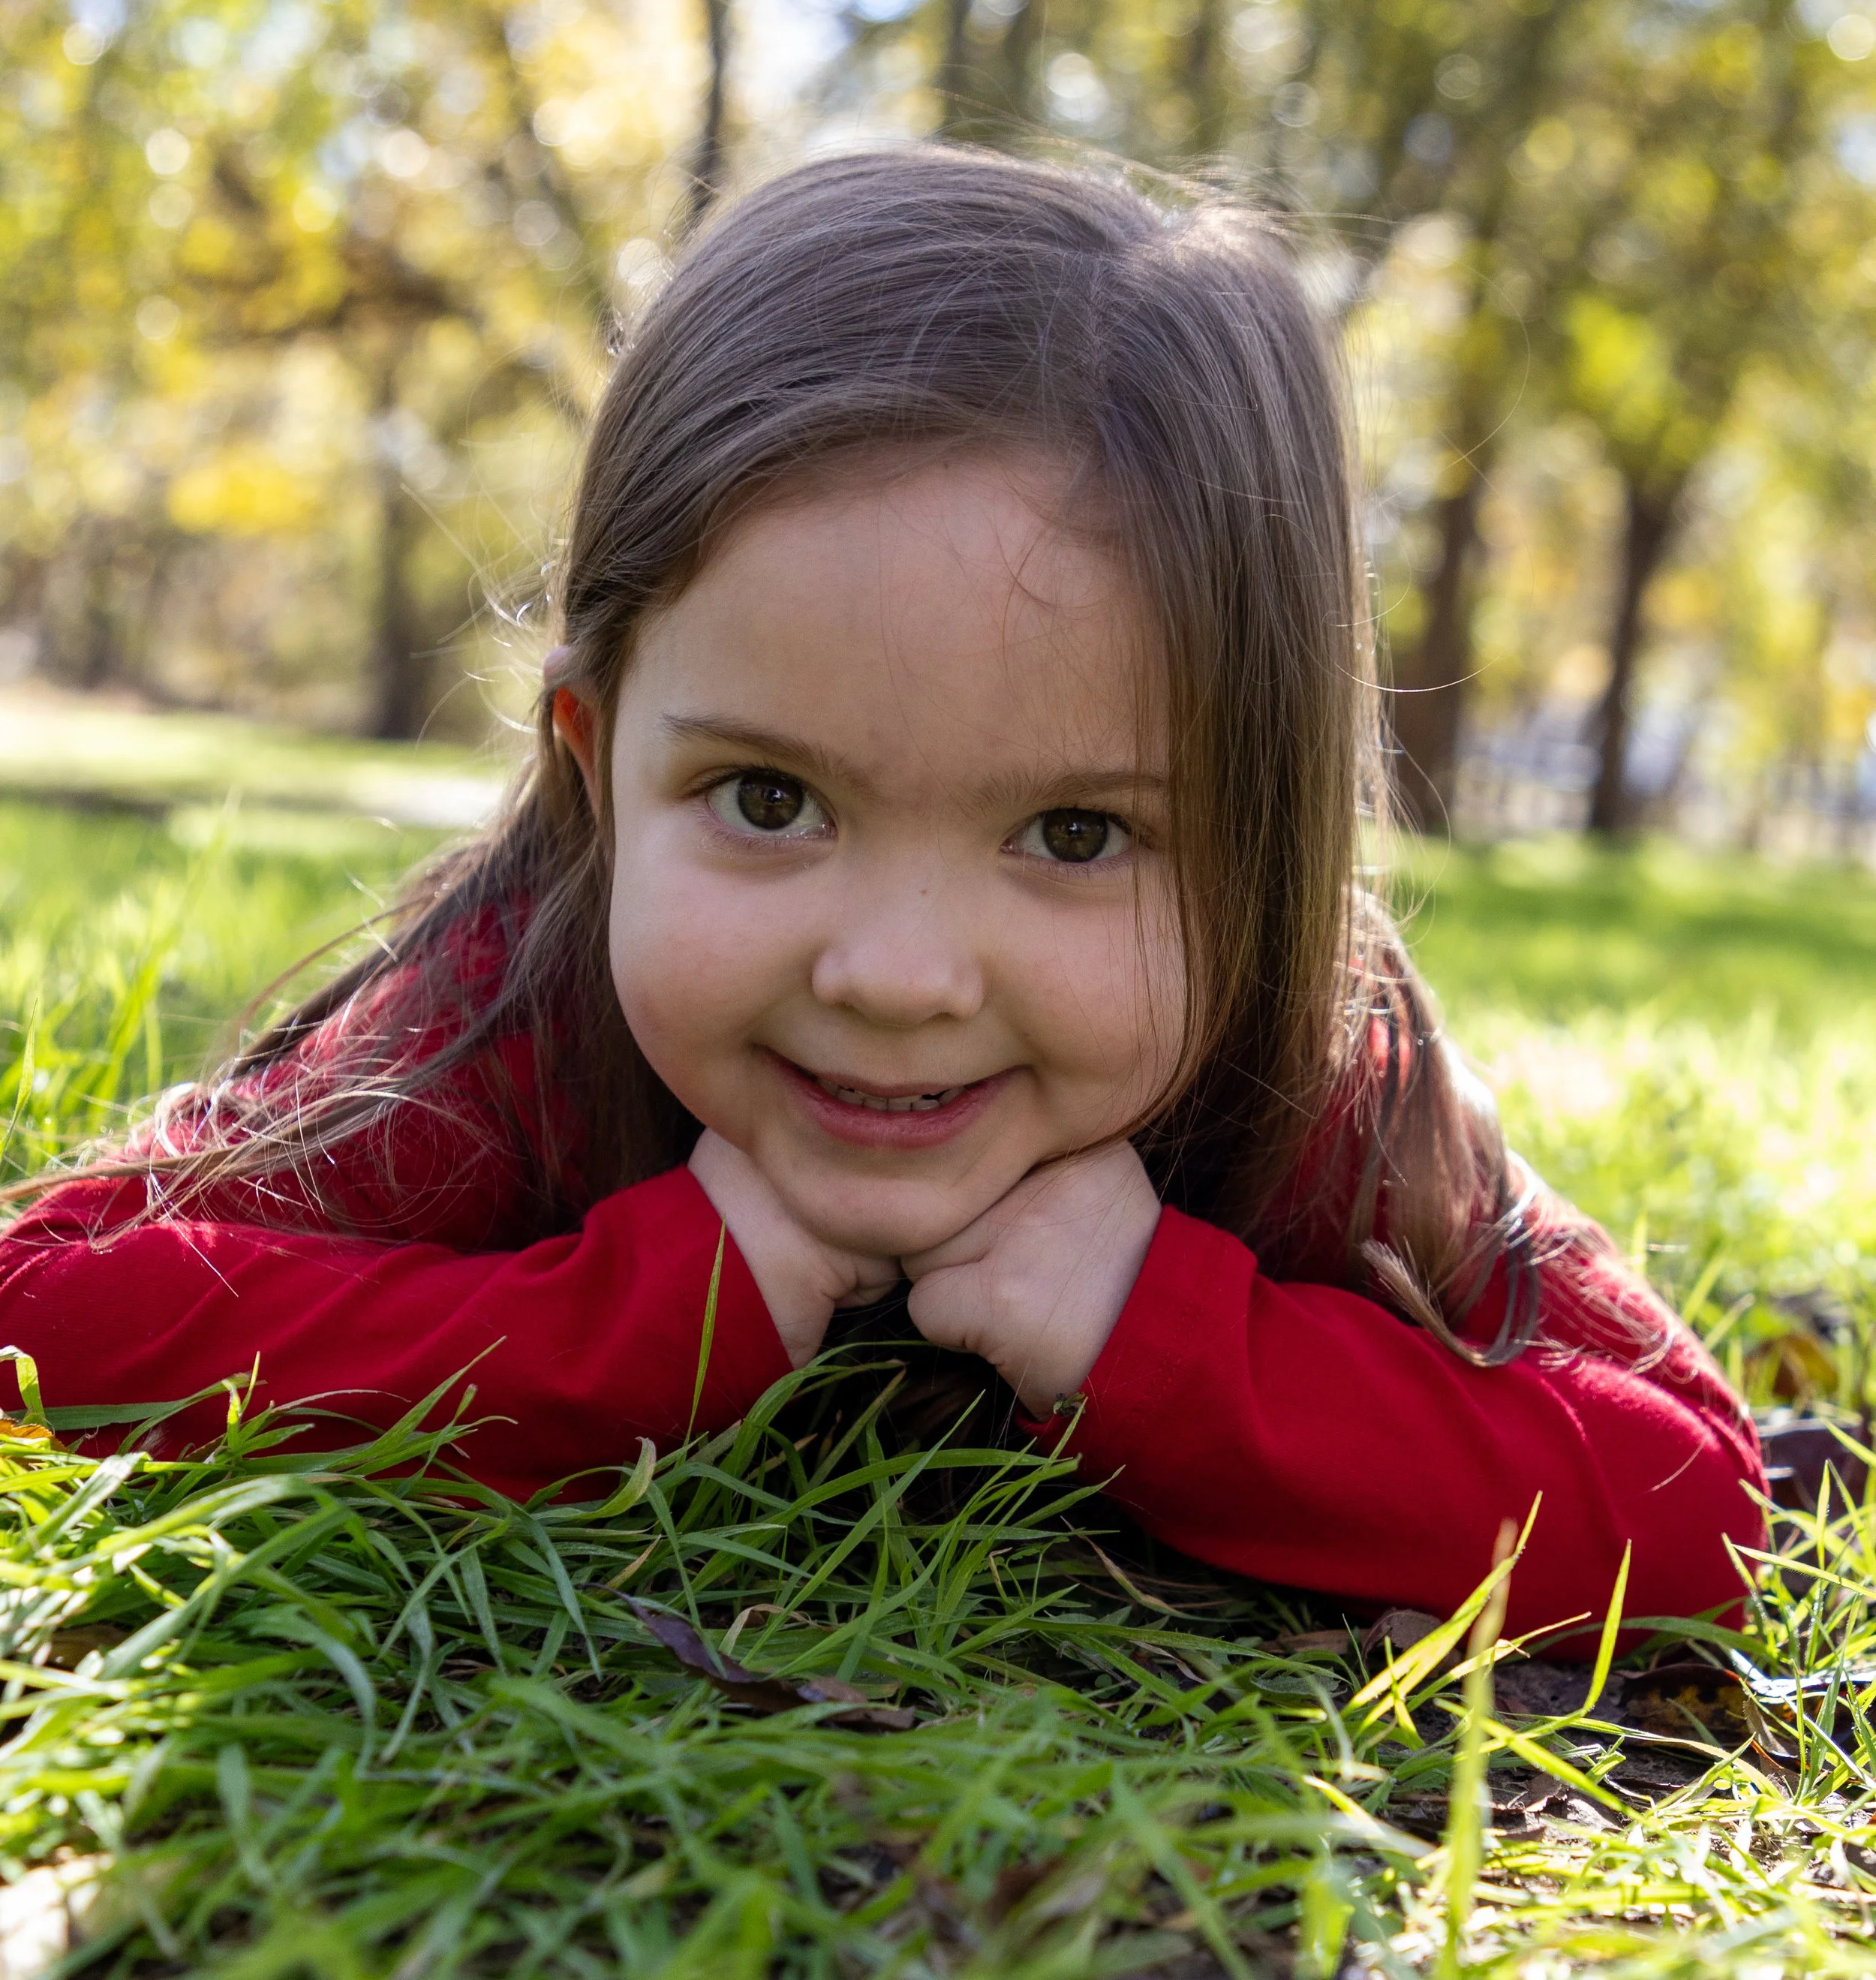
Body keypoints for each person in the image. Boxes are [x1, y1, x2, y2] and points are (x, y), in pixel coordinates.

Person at [0, 149, 1762, 1641]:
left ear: (1267, 843)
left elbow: (1698, 1505)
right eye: (768, 800)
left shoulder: (1309, 1060)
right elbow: (41, 1311)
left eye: (1075, 835)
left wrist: (1158, 1342)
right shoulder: (526, 1001)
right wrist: (625, 1331)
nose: (898, 975)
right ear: (594, 764)